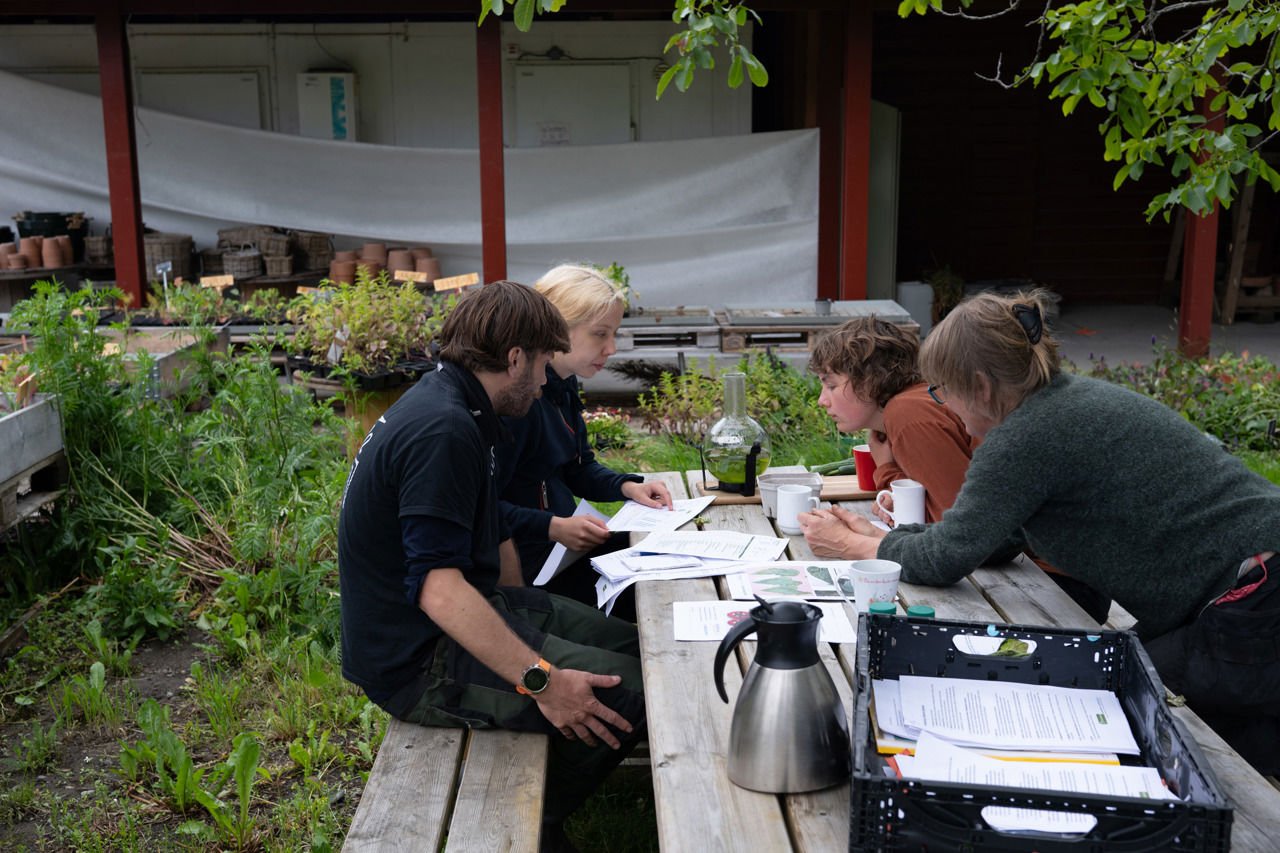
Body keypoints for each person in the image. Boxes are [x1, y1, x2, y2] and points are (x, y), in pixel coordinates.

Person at [799, 288, 1280, 773]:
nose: (946, 407)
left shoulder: (1025, 436)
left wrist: (859, 545)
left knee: (1130, 714)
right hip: (1244, 584)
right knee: (1125, 695)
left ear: (982, 387)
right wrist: (882, 539)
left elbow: (946, 558)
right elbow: (993, 538)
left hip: (1254, 596)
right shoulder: (1062, 404)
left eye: (944, 390)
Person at [337, 280, 646, 851]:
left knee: (646, 654)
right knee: (624, 696)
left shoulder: (463, 404)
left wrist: (528, 616)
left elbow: (494, 526)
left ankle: (541, 774)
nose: (548, 378)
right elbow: (438, 591)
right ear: (514, 358)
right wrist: (542, 681)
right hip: (415, 660)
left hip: (476, 611)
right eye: (545, 361)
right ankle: (523, 821)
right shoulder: (444, 430)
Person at [497, 264, 671, 612]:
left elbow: (578, 467)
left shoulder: (563, 384)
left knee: (670, 556)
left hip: (568, 547)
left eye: (614, 334)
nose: (612, 348)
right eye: (600, 334)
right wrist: (553, 526)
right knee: (660, 593)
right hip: (537, 565)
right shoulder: (518, 400)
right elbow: (481, 505)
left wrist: (626, 486)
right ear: (558, 329)